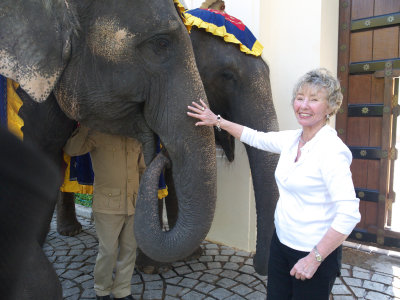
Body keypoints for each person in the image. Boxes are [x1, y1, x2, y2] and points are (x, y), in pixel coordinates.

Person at [187, 68, 361, 300]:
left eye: (314, 99)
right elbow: (255, 137)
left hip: (313, 253)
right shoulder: (292, 140)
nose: (304, 105)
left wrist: (313, 259)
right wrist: (216, 120)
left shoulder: (331, 150)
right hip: (281, 244)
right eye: (300, 98)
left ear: (330, 107)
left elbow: (348, 215)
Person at [64, 126, 146, 300]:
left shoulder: (135, 136)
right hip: (107, 204)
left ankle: (122, 291)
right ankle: (102, 289)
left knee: (129, 250)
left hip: (133, 203)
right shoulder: (97, 133)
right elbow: (71, 149)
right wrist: (86, 126)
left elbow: (141, 169)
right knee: (108, 250)